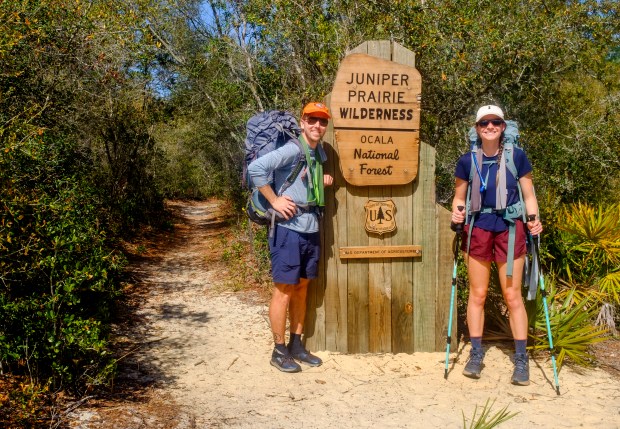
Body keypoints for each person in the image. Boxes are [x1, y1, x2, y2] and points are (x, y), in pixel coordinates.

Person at [451, 105, 543, 385]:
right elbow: (459, 196)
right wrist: (456, 212)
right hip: (478, 227)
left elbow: (529, 194)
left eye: (495, 122)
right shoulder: (467, 161)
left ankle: (520, 359)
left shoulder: (517, 157)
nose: (489, 127)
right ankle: (476, 354)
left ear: (503, 127)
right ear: (477, 129)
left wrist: (535, 221)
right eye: (484, 123)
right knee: (477, 294)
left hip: (510, 229)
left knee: (512, 295)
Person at [247, 102, 334, 373]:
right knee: (283, 290)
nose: (317, 125)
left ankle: (296, 345)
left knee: (302, 288)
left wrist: (323, 179)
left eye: (322, 121)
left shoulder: (318, 153)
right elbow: (256, 170)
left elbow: (306, 182)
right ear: (302, 121)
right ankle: (279, 349)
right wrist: (274, 201)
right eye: (312, 120)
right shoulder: (292, 149)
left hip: (310, 228)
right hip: (287, 229)